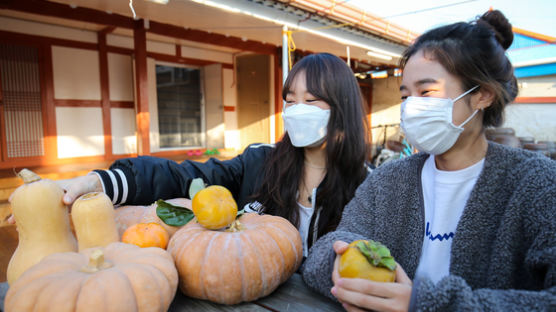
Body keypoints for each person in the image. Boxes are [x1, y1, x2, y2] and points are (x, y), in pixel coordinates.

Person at [301, 10, 556, 311]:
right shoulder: (389, 180)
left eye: (427, 91)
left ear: (483, 94)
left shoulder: (538, 183)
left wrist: (428, 304)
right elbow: (328, 248)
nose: (412, 107)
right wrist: (340, 266)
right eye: (406, 95)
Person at [46, 53, 371, 257]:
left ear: (342, 107)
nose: (297, 110)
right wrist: (101, 182)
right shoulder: (260, 162)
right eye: (290, 99)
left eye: (311, 100)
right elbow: (186, 177)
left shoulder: (371, 187)